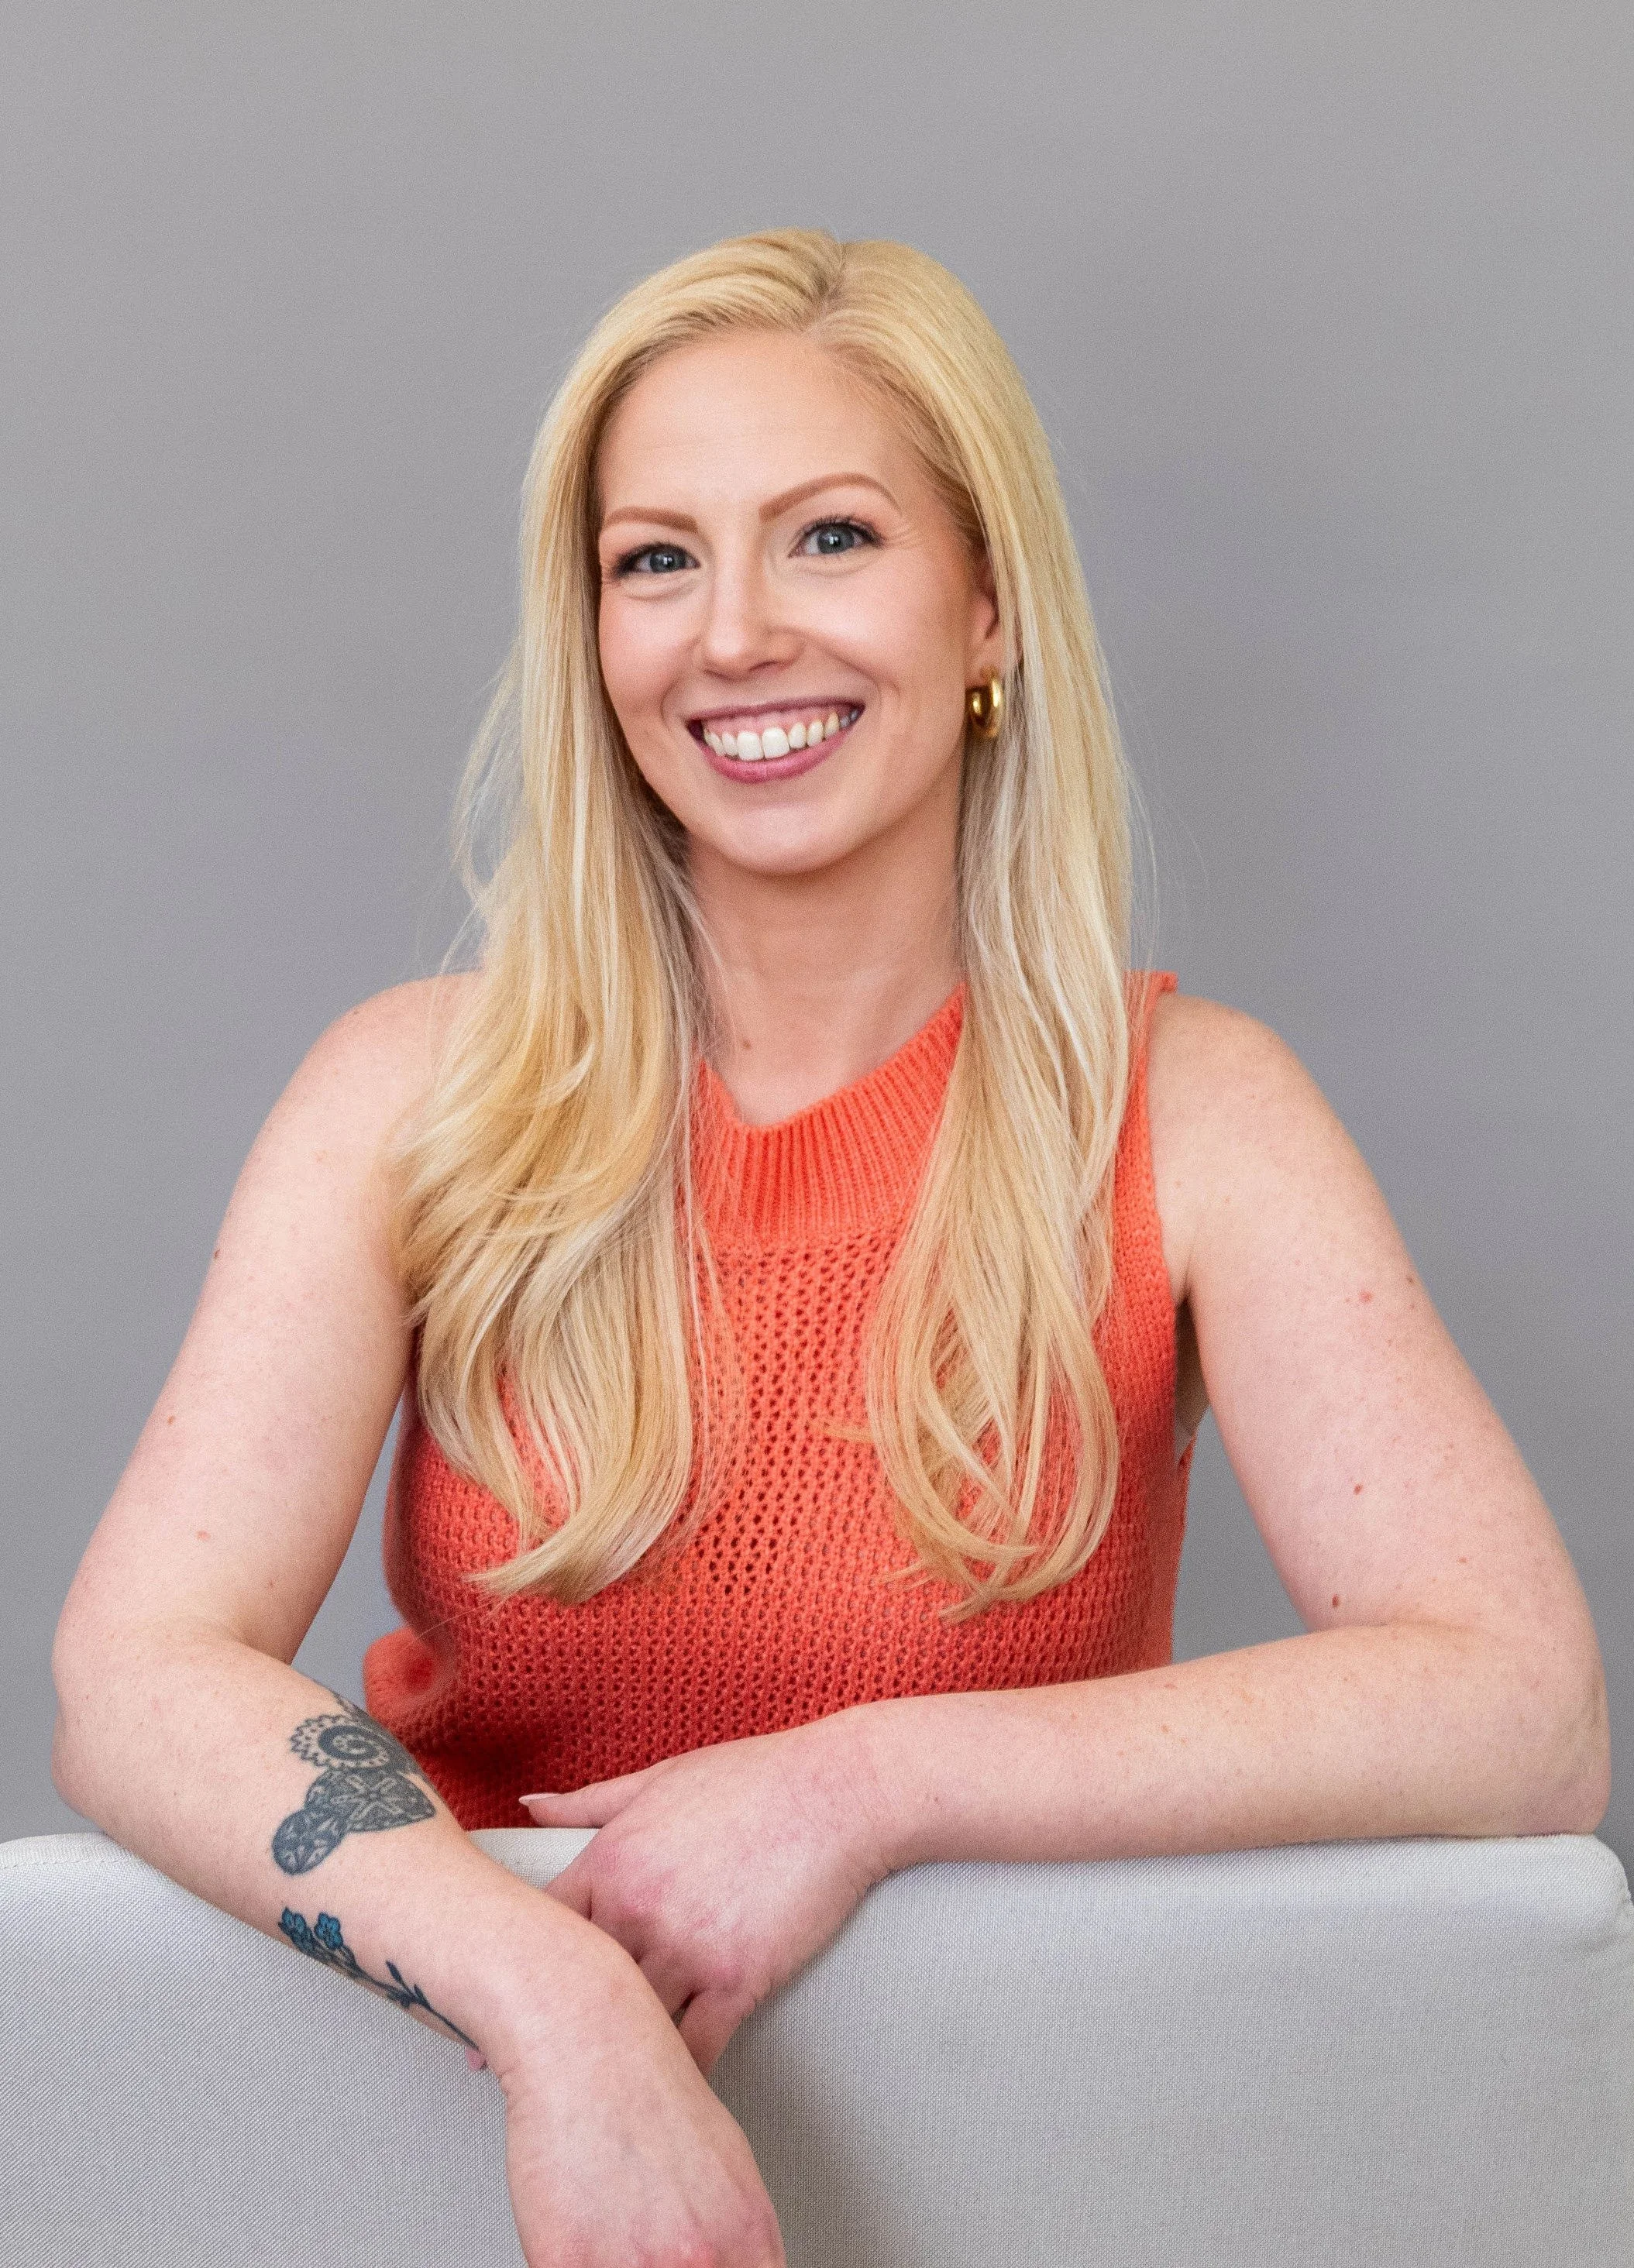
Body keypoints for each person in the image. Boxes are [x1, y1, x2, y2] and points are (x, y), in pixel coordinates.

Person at [51, 229, 1608, 2268]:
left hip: (1037, 2153)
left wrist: (852, 1786)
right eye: (656, 561)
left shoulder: (1197, 1112)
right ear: (591, 636)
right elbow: (133, 1671)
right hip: (448, 2158)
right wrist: (559, 2017)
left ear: (985, 612)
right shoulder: (407, 1096)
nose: (735, 635)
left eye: (832, 537)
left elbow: (1516, 1714)